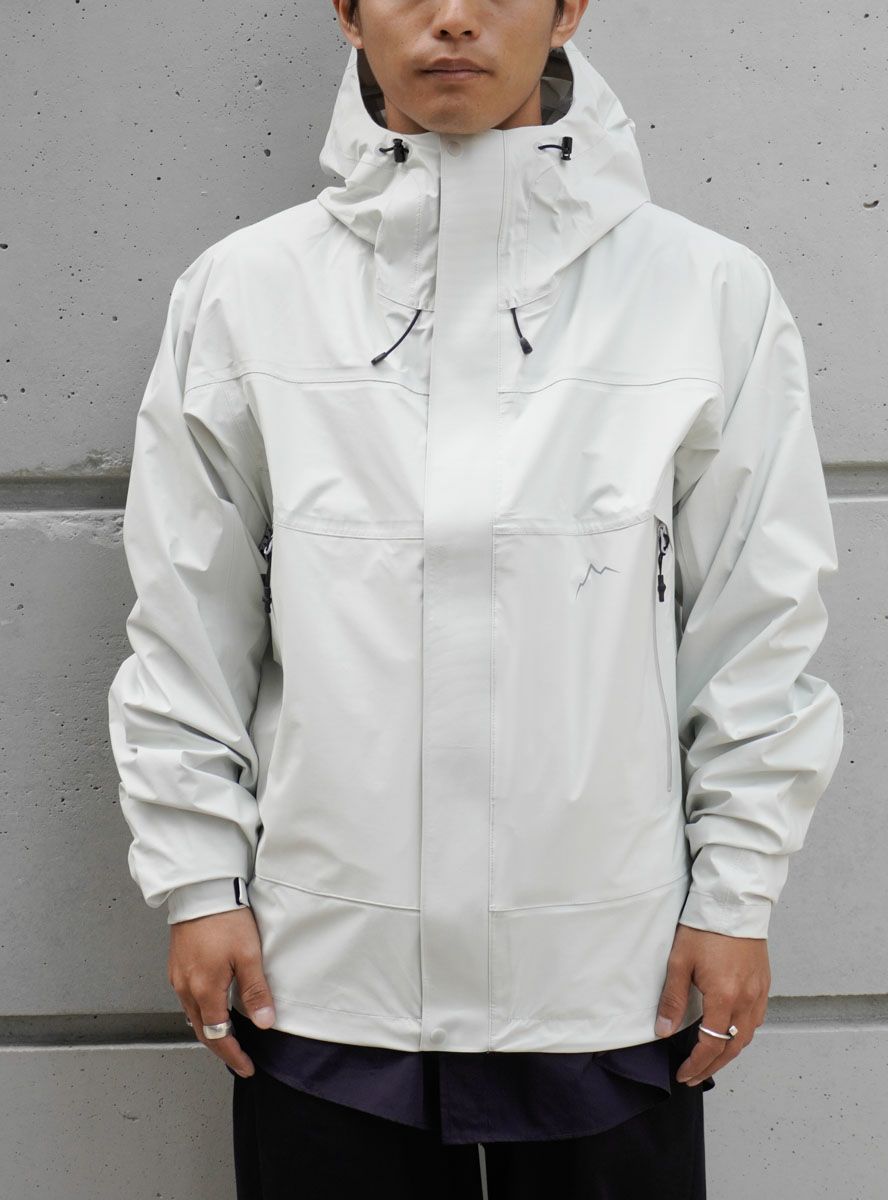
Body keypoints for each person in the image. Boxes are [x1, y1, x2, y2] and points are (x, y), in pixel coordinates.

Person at [107, 1, 844, 1197]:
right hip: (321, 976)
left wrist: (737, 896)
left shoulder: (704, 293)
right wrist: (198, 883)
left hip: (610, 976)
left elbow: (757, 626)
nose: (453, 17)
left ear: (568, 8)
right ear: (347, 12)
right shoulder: (245, 293)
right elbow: (187, 621)